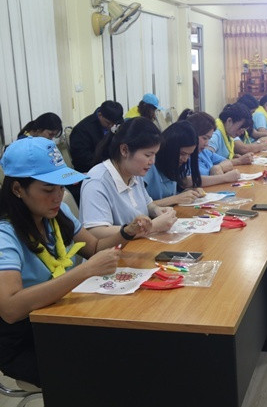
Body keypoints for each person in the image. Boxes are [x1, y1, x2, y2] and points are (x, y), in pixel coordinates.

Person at [0, 137, 151, 386]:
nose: (58, 197)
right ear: (17, 189)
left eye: (61, 188)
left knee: (129, 348)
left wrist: (127, 232)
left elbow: (93, 248)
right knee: (102, 374)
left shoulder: (57, 213)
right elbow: (11, 309)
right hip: (25, 338)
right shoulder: (5, 234)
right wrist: (85, 272)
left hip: (63, 315)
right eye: (48, 190)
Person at [79, 118, 177, 239]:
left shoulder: (134, 173)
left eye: (154, 154)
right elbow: (96, 232)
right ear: (124, 150)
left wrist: (157, 210)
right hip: (114, 250)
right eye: (148, 155)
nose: (152, 161)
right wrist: (153, 226)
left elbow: (147, 204)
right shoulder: (97, 181)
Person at [143, 121, 204, 206]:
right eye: (182, 153)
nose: (185, 159)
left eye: (189, 155)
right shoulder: (148, 166)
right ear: (170, 148)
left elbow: (171, 194)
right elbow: (139, 207)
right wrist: (176, 199)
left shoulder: (173, 166)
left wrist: (189, 193)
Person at [185, 112, 241, 186]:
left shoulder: (204, 152)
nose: (207, 144)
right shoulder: (184, 156)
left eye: (209, 139)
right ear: (192, 135)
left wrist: (218, 167)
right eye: (204, 138)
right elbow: (186, 181)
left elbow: (227, 162)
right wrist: (224, 178)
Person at [69, 101, 124, 173]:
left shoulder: (117, 122)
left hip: (114, 166)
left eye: (114, 124)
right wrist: (109, 164)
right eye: (108, 123)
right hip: (90, 170)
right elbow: (81, 159)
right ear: (100, 115)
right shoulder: (82, 130)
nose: (111, 127)